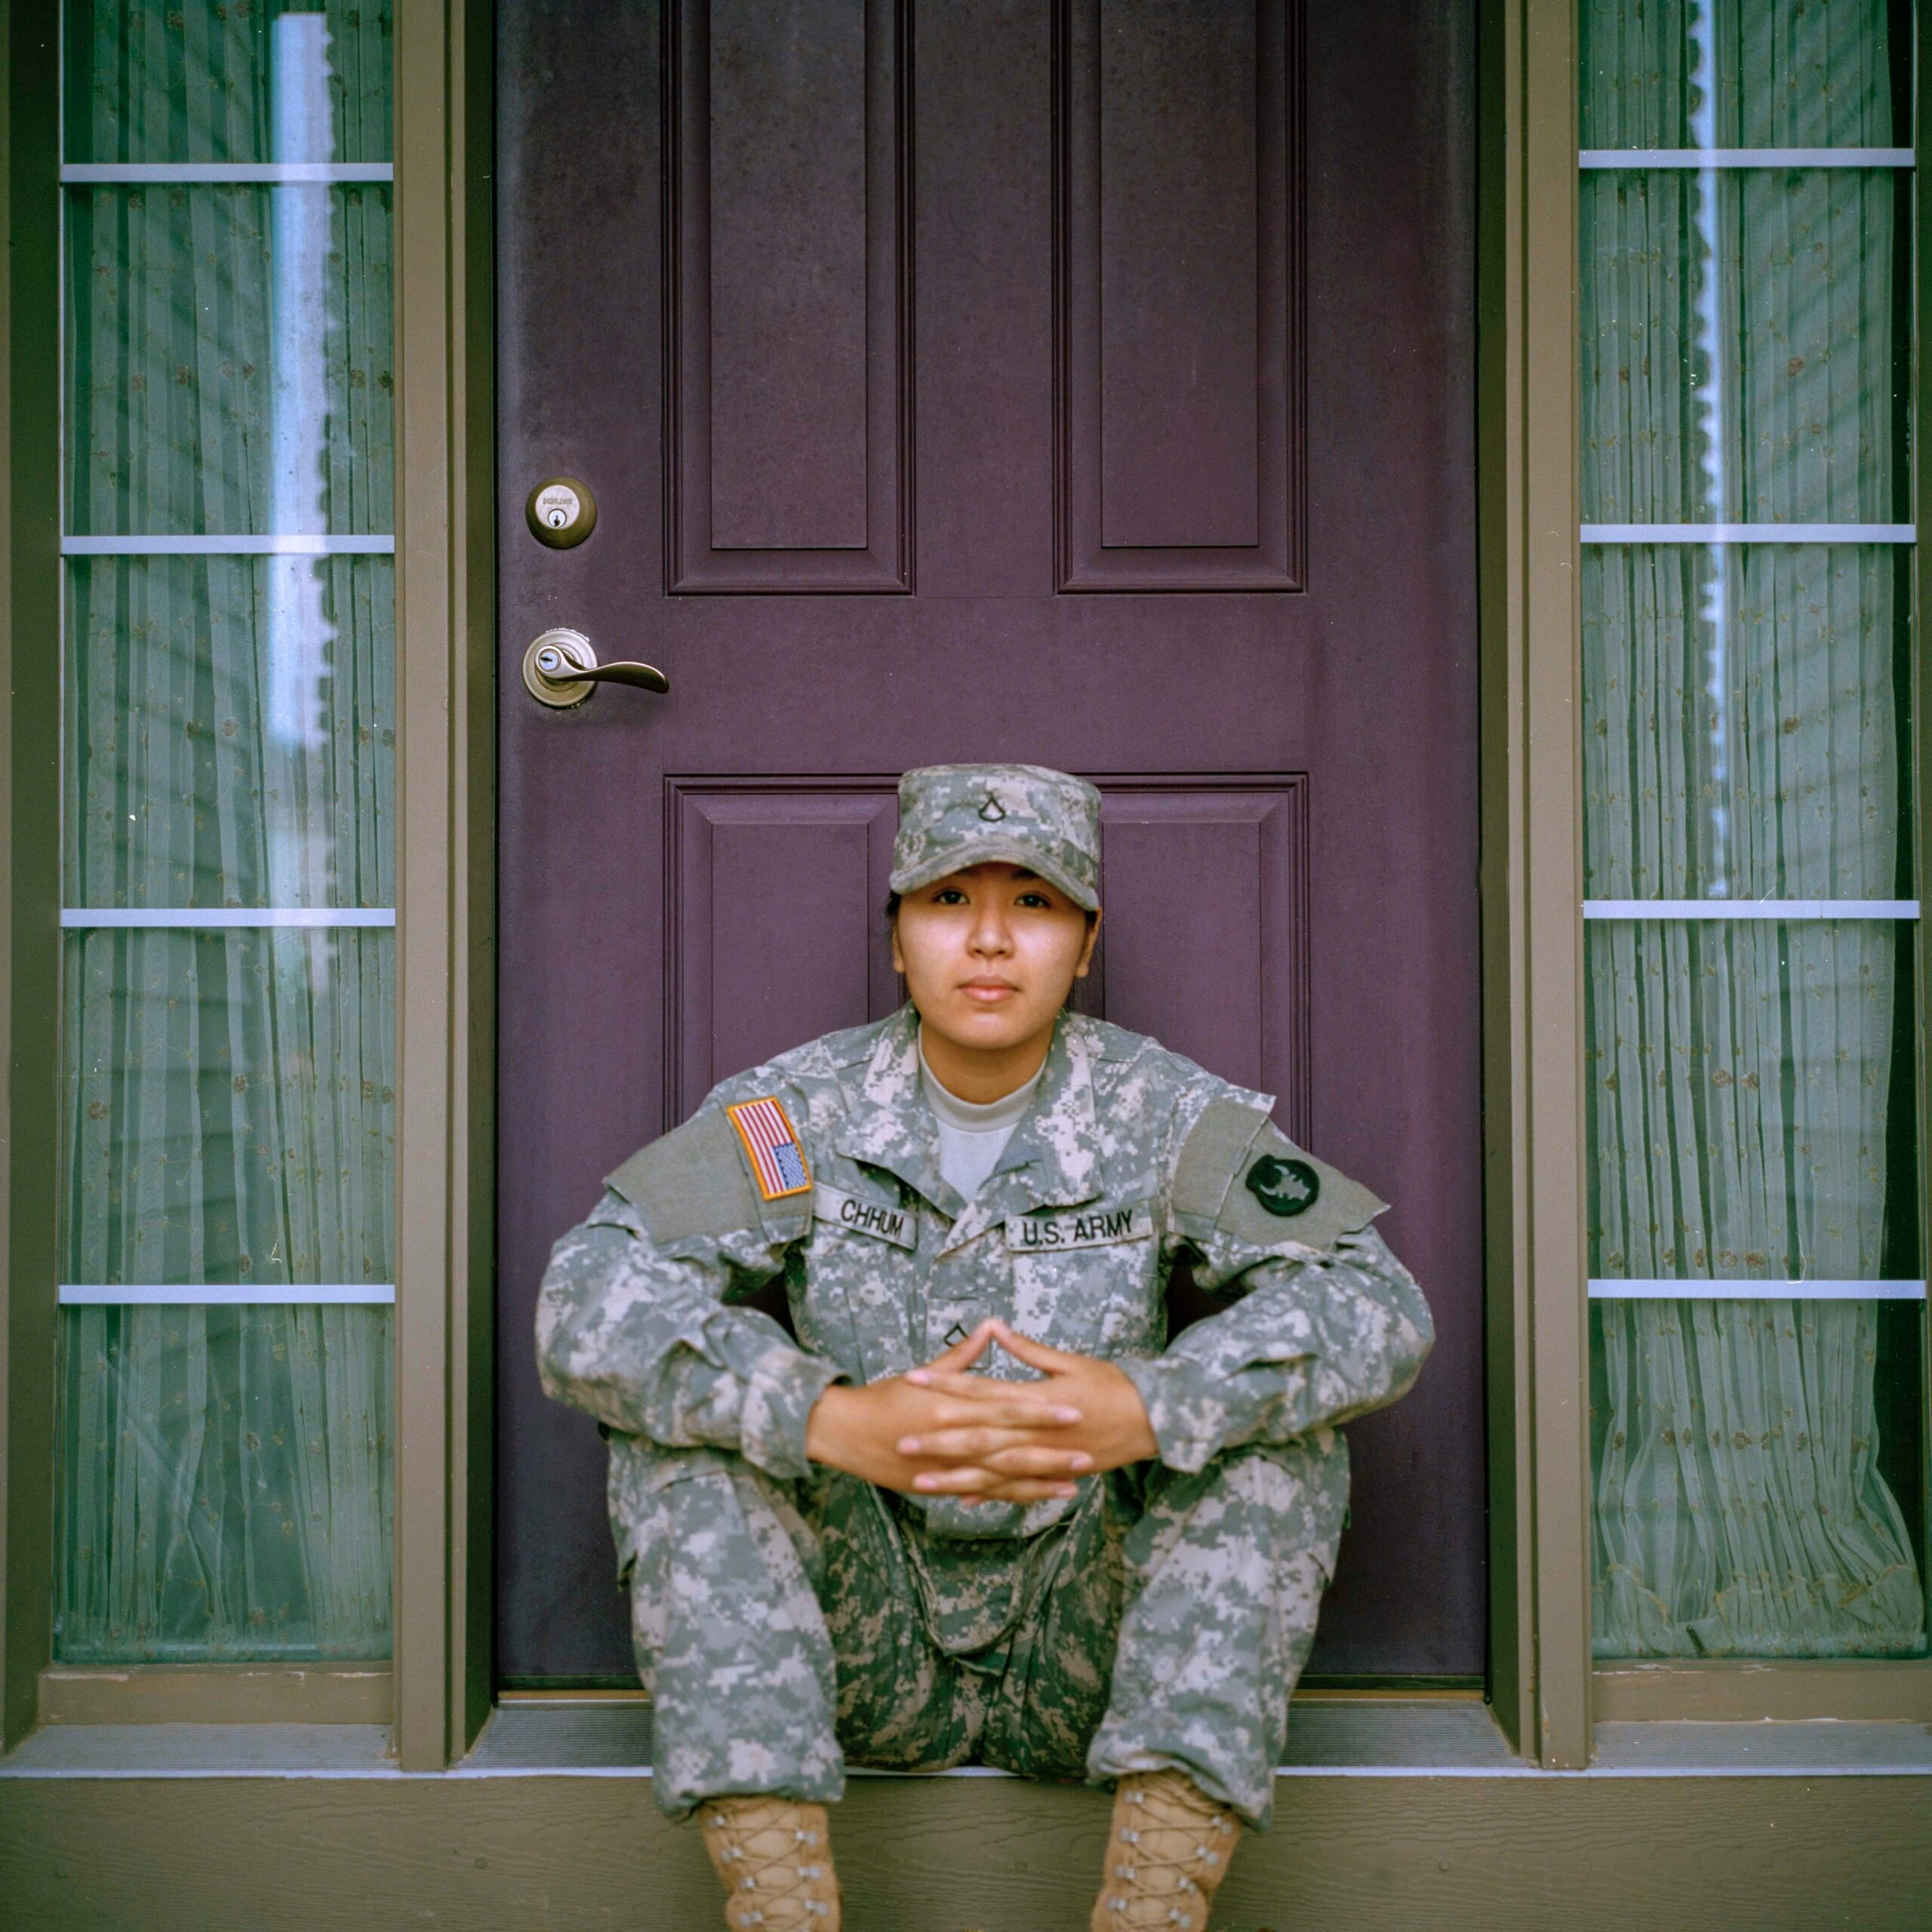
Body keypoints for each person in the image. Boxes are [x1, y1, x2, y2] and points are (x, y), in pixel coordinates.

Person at [536, 763, 1433, 1931]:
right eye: (950, 900)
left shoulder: (1165, 1113)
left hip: (1098, 1644)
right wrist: (829, 1418)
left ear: (1087, 941)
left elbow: (1375, 1299)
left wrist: (1150, 1406)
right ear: (897, 938)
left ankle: (1152, 1906)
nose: (991, 940)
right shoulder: (797, 1111)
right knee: (681, 1442)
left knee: (1277, 1445)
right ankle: (781, 1908)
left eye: (1036, 904)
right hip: (853, 1641)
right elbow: (588, 1295)